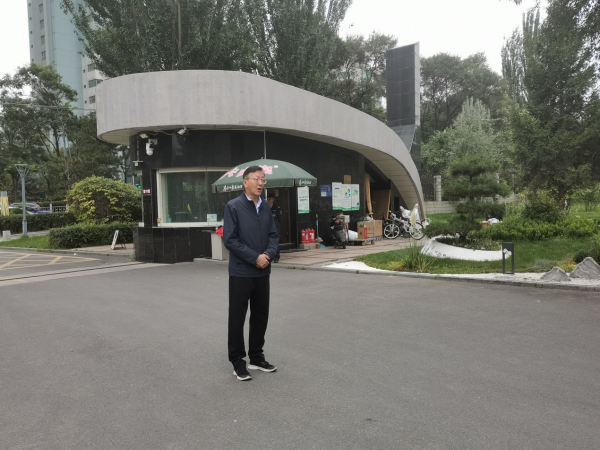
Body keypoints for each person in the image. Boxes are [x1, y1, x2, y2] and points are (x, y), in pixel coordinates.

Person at [223, 166, 279, 381]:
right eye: (257, 179)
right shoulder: (233, 206)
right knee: (237, 317)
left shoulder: (265, 206)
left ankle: (256, 357)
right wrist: (255, 257)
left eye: (263, 179)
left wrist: (268, 255)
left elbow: (273, 235)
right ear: (245, 182)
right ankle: (238, 361)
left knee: (260, 315)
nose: (261, 183)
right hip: (241, 272)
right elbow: (230, 239)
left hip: (263, 271)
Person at [267, 193, 281, 263]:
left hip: (276, 227)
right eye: (268, 199)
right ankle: (270, 256)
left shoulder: (277, 208)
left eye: (271, 199)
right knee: (268, 242)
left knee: (276, 241)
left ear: (273, 199)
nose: (269, 200)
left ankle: (276, 257)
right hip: (267, 227)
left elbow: (279, 219)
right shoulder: (265, 208)